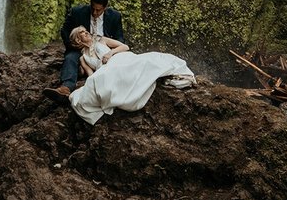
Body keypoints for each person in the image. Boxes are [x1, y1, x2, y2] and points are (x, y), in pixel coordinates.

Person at [66, 25, 196, 125]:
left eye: (85, 31)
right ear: (78, 39)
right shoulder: (83, 58)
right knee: (97, 80)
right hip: (104, 70)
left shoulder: (102, 40)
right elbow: (90, 74)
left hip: (117, 59)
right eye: (82, 33)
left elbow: (125, 47)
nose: (86, 32)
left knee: (145, 62)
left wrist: (110, 54)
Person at [43, 0, 125, 105]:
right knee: (71, 57)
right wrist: (73, 45)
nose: (95, 12)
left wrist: (112, 51)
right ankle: (65, 88)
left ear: (105, 8)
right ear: (90, 4)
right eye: (92, 8)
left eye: (98, 10)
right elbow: (65, 30)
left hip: (103, 47)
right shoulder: (77, 12)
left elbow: (120, 37)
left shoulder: (115, 16)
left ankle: (83, 72)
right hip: (81, 49)